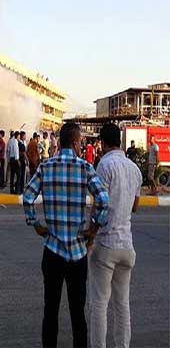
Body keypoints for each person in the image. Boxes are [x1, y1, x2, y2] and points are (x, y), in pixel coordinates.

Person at [23, 122, 109, 348]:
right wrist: (93, 228)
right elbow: (103, 200)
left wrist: (35, 223)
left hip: (52, 250)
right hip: (77, 253)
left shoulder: (46, 166)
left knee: (50, 311)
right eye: (81, 142)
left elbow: (27, 197)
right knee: (77, 313)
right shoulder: (85, 167)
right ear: (75, 142)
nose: (81, 146)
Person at [87, 123, 142, 348]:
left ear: (102, 142)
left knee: (99, 304)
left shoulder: (105, 165)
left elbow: (99, 205)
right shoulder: (134, 169)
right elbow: (135, 206)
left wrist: (91, 234)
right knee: (122, 304)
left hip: (106, 243)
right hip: (126, 246)